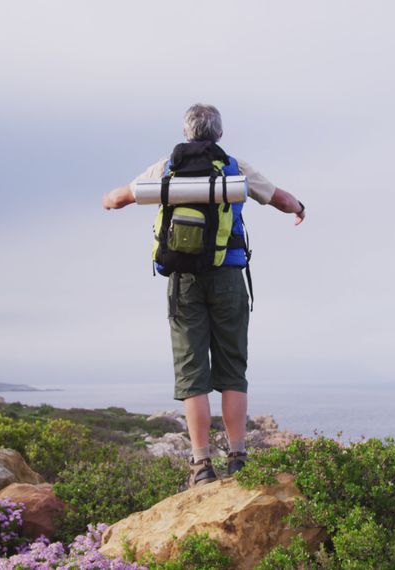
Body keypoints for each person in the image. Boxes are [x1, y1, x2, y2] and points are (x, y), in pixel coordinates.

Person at [102, 103, 305, 487]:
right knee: (232, 368)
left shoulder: (166, 168)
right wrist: (299, 208)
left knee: (192, 371)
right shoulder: (233, 165)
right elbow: (278, 197)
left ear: (186, 132)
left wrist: (106, 200)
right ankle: (239, 458)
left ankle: (200, 466)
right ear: (219, 133)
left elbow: (118, 198)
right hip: (228, 276)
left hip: (182, 282)